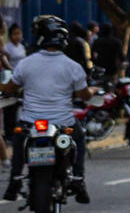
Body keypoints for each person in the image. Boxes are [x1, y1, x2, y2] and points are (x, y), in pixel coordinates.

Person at [3, 16, 92, 203]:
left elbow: (10, 88)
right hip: (63, 123)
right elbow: (84, 95)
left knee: (19, 140)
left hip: (31, 122)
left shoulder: (26, 64)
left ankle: (15, 180)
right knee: (79, 138)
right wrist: (90, 92)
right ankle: (78, 179)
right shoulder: (73, 67)